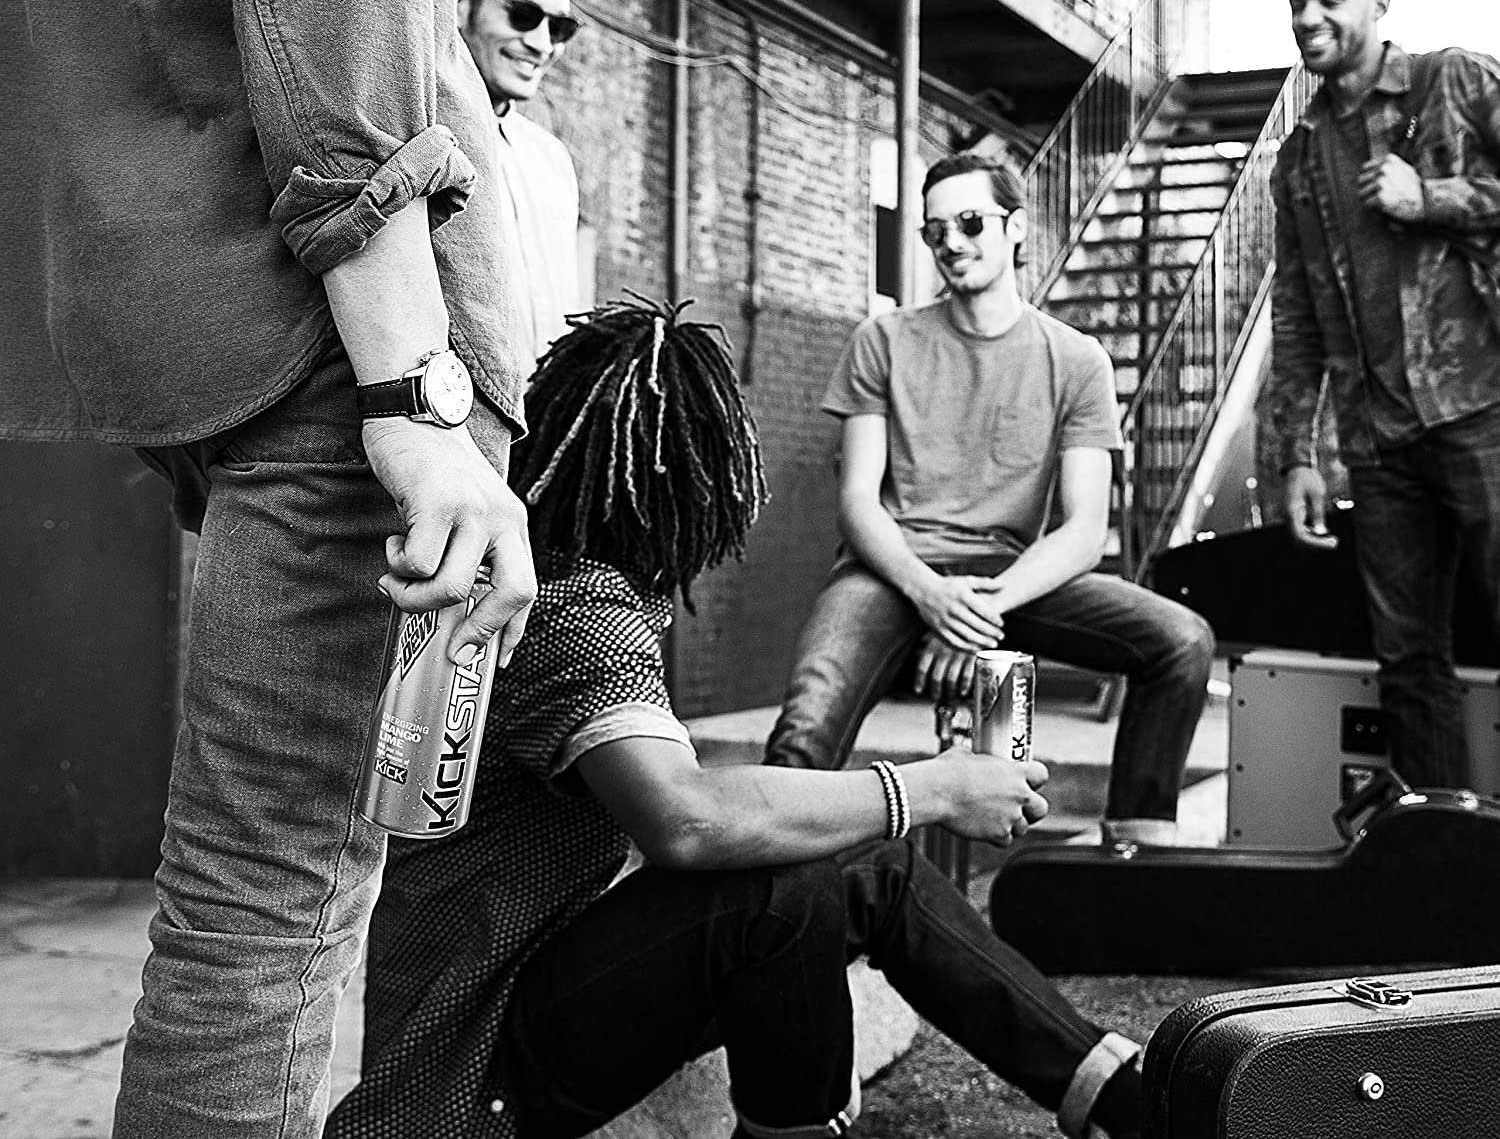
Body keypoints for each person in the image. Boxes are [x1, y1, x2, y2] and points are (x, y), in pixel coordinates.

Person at [0, 0, 536, 1137]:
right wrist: (419, 390)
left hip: (176, 294)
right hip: (337, 330)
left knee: (247, 905)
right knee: (264, 917)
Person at [328, 299, 1145, 1139]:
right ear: (693, 485)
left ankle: (1115, 1091)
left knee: (872, 866)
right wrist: (933, 788)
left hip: (525, 996)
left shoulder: (552, 582)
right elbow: (687, 819)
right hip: (472, 1067)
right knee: (781, 891)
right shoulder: (580, 612)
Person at [764, 153, 1214, 847]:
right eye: (935, 229)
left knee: (1181, 642)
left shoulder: (1076, 359)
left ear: (1016, 227)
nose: (952, 241)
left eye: (971, 222)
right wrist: (930, 595)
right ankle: (764, 884)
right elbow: (857, 502)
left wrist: (976, 613)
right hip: (891, 571)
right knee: (805, 725)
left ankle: (1135, 852)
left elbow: (1084, 531)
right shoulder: (882, 340)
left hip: (1011, 579)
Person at [1271, 0, 1500, 789]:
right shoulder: (1298, 158)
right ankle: (1437, 847)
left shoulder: (1455, 79)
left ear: (1379, 2)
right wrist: (1297, 453)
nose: (1308, 18)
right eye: (1297, 2)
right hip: (1380, 446)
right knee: (1407, 664)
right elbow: (1296, 313)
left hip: (1483, 413)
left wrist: (1429, 198)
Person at [454, 0, 585, 369]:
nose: (543, 44)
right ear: (459, 2)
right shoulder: (418, 135)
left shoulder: (553, 160)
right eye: (523, 15)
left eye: (561, 27)